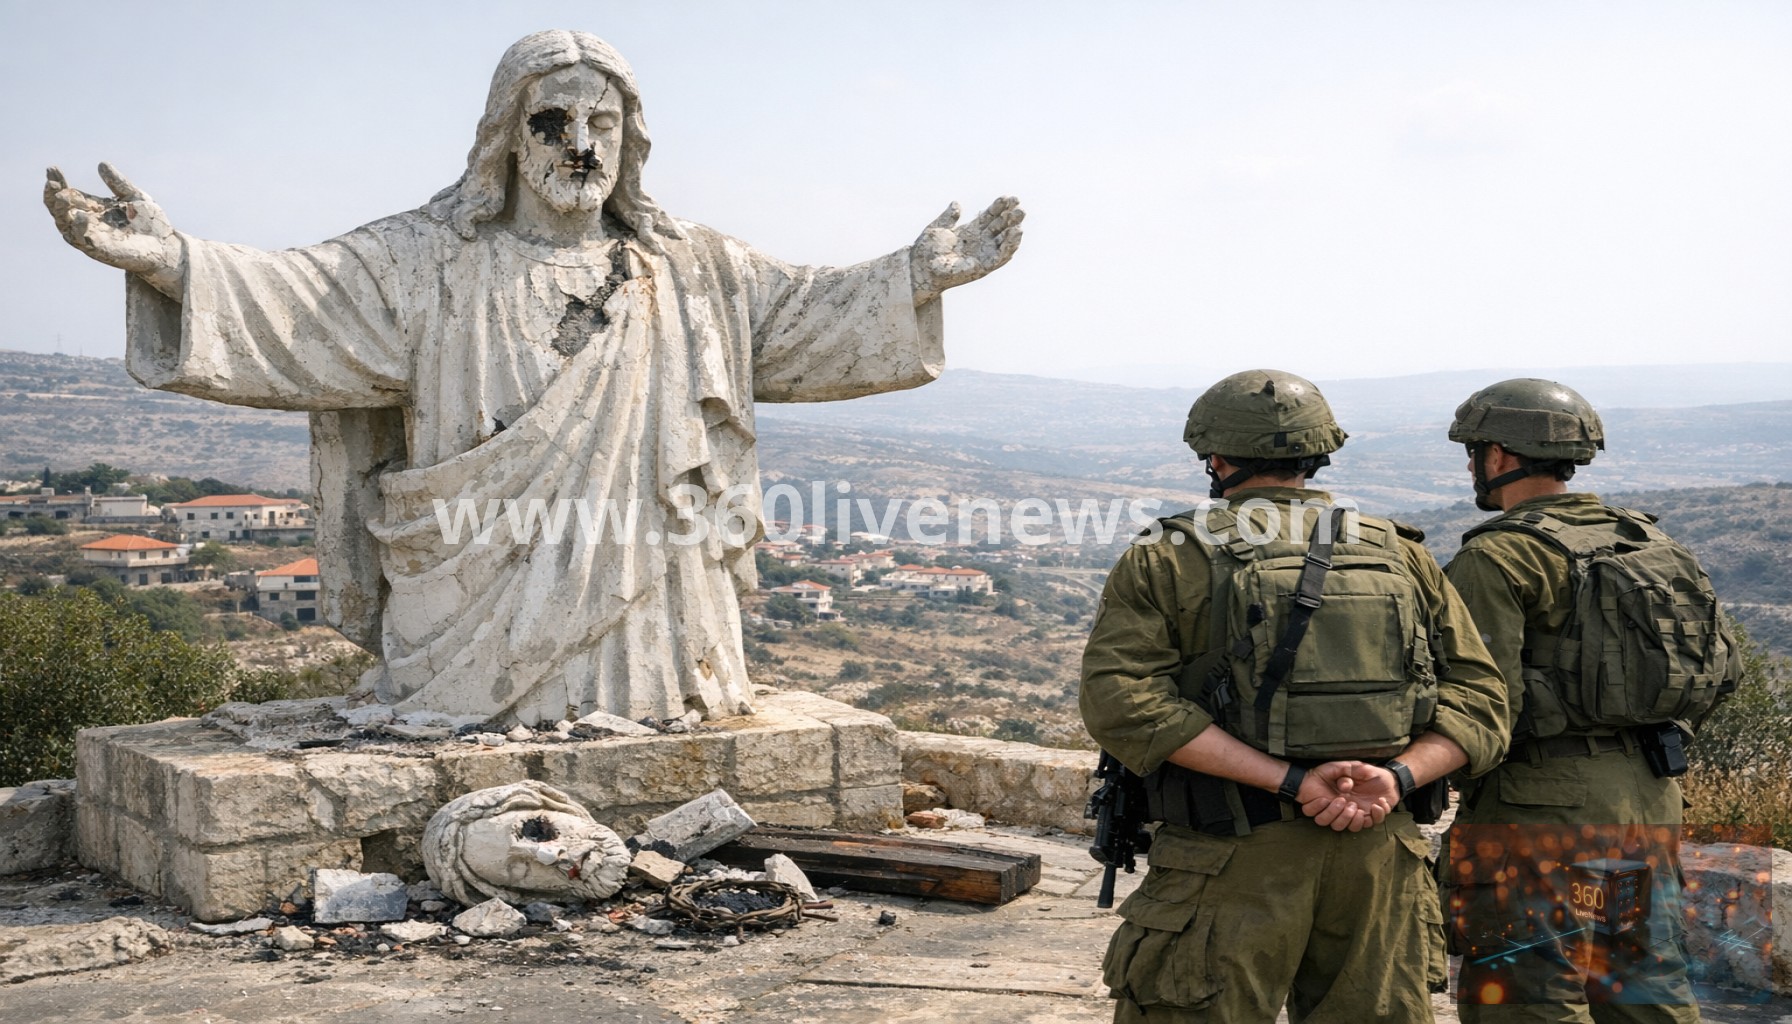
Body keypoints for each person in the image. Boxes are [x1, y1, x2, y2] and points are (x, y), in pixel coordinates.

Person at [41, 29, 1023, 725]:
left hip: (651, 609)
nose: (581, 146)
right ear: (508, 136)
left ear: (631, 140)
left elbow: (805, 315)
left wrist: (911, 277)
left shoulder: (692, 268)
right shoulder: (426, 259)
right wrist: (174, 262)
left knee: (652, 711)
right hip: (471, 610)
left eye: (603, 124)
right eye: (554, 122)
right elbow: (297, 303)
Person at [1082, 368, 1509, 1024]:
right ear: (1319, 454)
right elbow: (1481, 699)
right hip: (1380, 856)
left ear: (1215, 458)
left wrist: (1290, 782)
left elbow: (1122, 702)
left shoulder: (1171, 553)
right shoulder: (1399, 553)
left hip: (1226, 854)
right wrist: (1393, 779)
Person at [1443, 378, 1739, 1022]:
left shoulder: (1499, 556)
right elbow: (1722, 673)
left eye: (1473, 453)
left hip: (1539, 812)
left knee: (1528, 995)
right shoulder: (1652, 544)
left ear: (1498, 455)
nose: (1471, 467)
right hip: (1649, 800)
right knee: (1644, 986)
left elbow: (1482, 705)